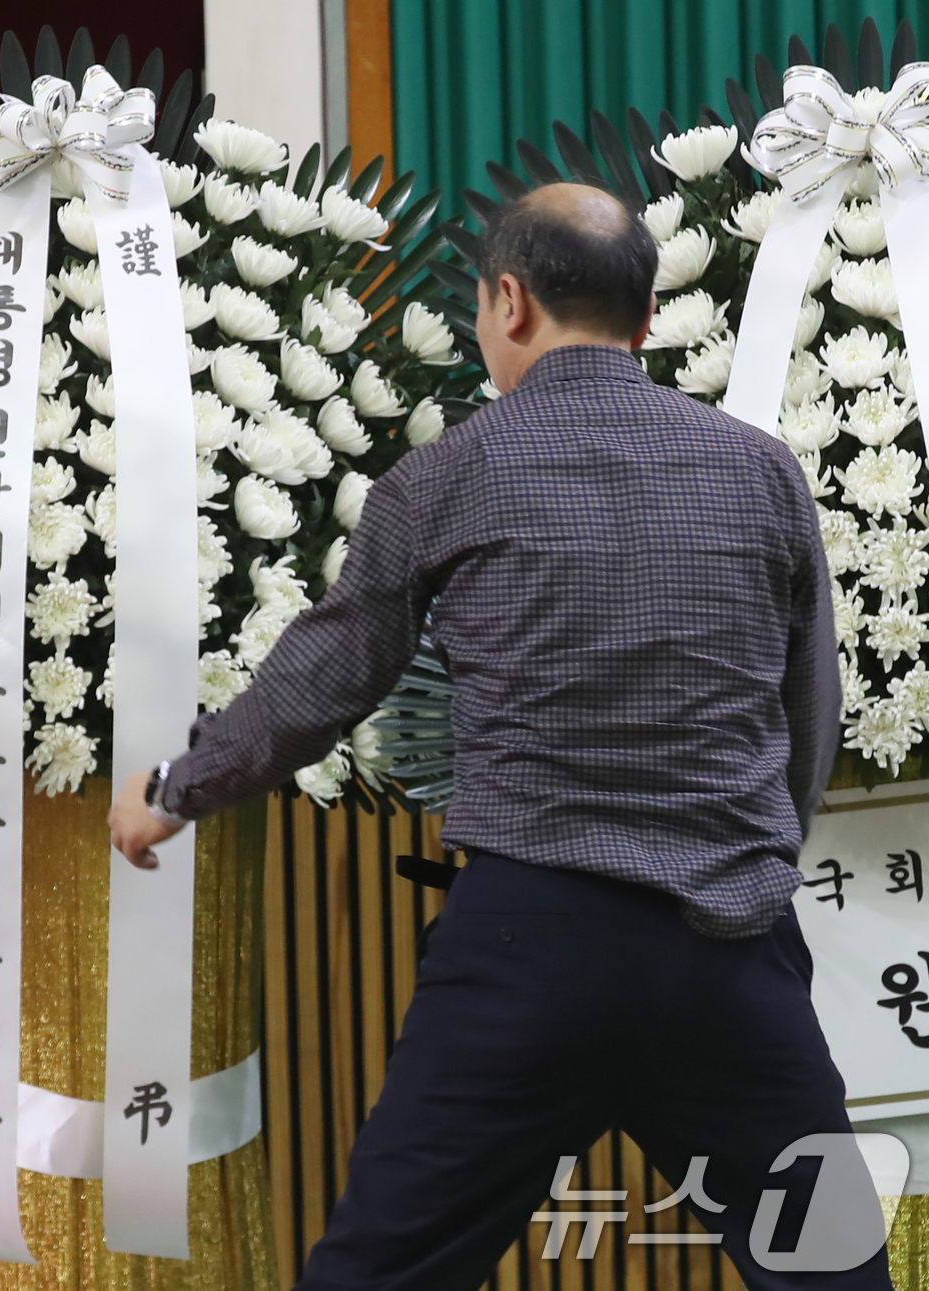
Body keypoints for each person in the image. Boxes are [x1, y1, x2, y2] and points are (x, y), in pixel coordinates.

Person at [109, 182, 888, 1290]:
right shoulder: (758, 471)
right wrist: (751, 857)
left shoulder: (443, 477)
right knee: (832, 1276)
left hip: (526, 949)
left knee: (378, 1274)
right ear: (647, 313)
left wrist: (174, 788)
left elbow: (320, 682)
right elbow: (805, 715)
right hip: (726, 950)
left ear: (507, 302)